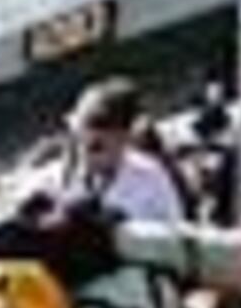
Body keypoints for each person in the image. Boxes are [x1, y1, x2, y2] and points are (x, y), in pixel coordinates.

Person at [61, 79, 191, 227]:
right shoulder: (51, 180)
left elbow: (175, 236)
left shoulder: (151, 179)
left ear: (126, 136)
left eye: (104, 128)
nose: (90, 137)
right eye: (83, 129)